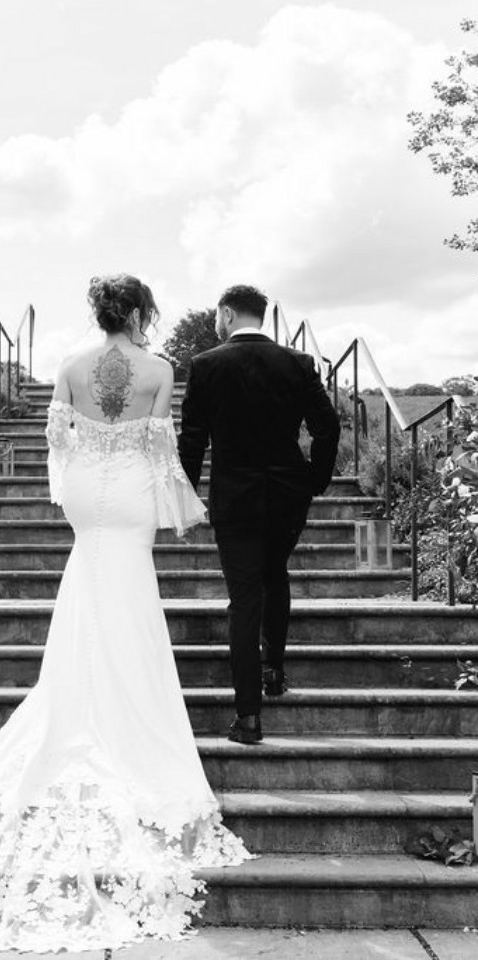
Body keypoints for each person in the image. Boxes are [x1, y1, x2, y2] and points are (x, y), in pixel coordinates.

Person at [0, 274, 250, 954]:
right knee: (131, 582)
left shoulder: (69, 367)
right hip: (135, 494)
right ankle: (127, 702)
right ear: (140, 312)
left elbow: (59, 450)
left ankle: (78, 690)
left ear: (98, 313)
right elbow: (160, 448)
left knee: (89, 569)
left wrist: (80, 486)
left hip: (87, 493)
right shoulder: (159, 367)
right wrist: (179, 504)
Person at [178, 285, 341, 746]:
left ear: (227, 313)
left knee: (244, 598)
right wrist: (315, 479)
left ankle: (249, 717)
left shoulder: (207, 366)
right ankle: (274, 671)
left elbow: (192, 441)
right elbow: (327, 427)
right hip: (288, 493)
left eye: (216, 315)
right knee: (277, 575)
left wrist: (186, 496)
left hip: (234, 498)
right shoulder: (297, 363)